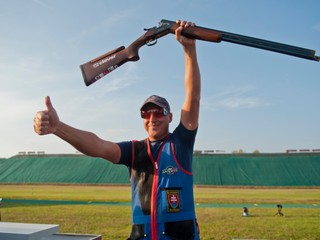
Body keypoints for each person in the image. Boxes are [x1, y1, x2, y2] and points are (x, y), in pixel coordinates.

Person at [34, 19, 201, 240]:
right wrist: (58, 128)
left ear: (170, 117)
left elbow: (193, 99)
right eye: (146, 113)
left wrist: (189, 50)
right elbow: (99, 146)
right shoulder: (135, 150)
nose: (152, 118)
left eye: (159, 112)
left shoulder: (180, 142)